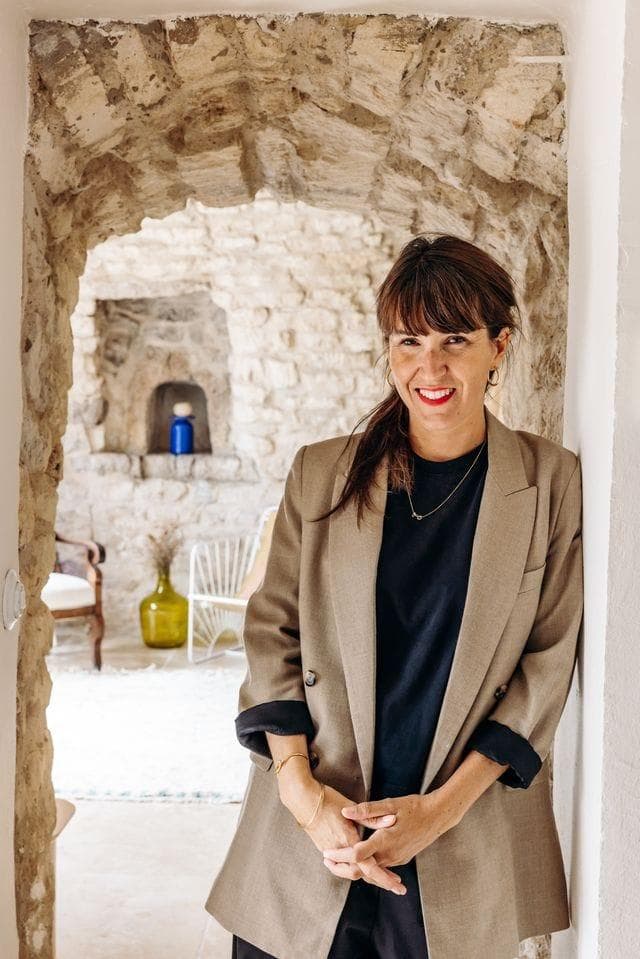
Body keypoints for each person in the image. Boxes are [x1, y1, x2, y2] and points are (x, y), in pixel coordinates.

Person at [204, 234, 584, 959]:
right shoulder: (321, 475)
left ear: (498, 346)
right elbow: (271, 634)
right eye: (408, 339)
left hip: (458, 834)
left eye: (455, 339)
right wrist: (303, 795)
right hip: (317, 832)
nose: (429, 366)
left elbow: (545, 666)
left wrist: (437, 814)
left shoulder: (548, 483)